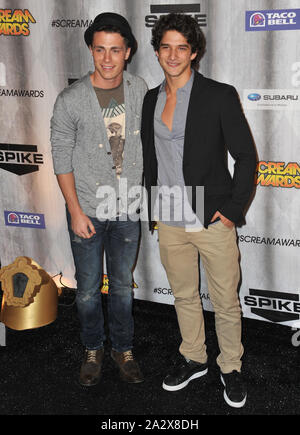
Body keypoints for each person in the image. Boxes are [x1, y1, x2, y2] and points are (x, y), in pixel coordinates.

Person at [141, 13, 256, 408]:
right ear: (157, 52)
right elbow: (151, 159)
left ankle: (231, 366)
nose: (173, 55)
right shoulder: (150, 99)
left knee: (225, 300)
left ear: (194, 52)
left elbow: (245, 156)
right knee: (184, 296)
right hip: (170, 217)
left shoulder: (219, 95)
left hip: (211, 217)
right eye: (166, 46)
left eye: (181, 47)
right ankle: (194, 357)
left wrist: (231, 210)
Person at [51, 12, 147, 387]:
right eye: (100, 50)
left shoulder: (141, 90)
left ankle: (123, 349)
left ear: (128, 52)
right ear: (91, 51)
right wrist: (75, 211)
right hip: (87, 210)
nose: (107, 59)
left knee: (122, 286)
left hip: (126, 210)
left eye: (115, 50)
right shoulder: (71, 99)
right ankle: (93, 347)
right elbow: (60, 156)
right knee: (89, 289)